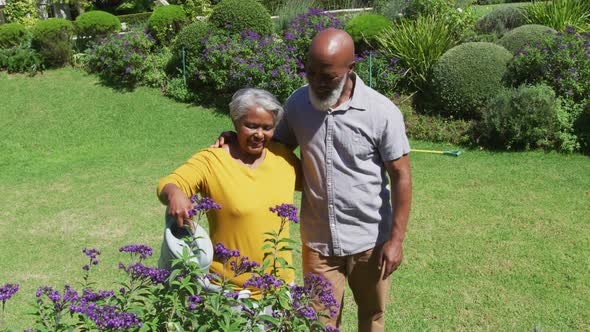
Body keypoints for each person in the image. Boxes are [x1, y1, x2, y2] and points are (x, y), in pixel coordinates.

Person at [214, 28, 412, 331]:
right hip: (318, 242)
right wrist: (237, 138)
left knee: (371, 315)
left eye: (328, 76)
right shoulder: (297, 105)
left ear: (350, 69)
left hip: (370, 240)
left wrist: (396, 240)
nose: (318, 82)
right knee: (319, 321)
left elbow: (401, 176)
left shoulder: (381, 112)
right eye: (312, 72)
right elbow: (271, 148)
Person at [157, 88, 300, 297]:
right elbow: (169, 182)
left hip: (280, 289)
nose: (259, 134)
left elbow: (318, 183)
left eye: (267, 127)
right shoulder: (212, 160)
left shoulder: (283, 158)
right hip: (230, 292)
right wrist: (174, 194)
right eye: (250, 126)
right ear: (235, 122)